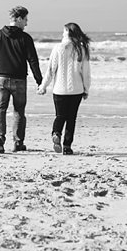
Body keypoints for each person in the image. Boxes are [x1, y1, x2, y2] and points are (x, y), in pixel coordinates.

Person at [0, 6, 43, 154]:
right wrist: (39, 80)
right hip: (19, 80)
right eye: (25, 20)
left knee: (0, 109)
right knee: (19, 111)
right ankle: (18, 142)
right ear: (18, 19)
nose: (26, 23)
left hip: (1, 79)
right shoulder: (25, 38)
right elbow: (33, 61)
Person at [37, 22, 91, 155]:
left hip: (59, 90)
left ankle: (56, 133)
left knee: (60, 116)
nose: (62, 33)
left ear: (67, 32)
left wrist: (43, 87)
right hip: (76, 90)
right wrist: (86, 89)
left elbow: (51, 70)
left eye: (64, 30)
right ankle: (67, 146)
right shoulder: (82, 49)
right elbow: (86, 73)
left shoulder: (57, 48)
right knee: (71, 119)